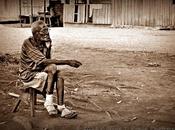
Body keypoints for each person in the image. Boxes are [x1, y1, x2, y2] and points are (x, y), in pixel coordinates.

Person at [19, 20, 82, 118]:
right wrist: (68, 62)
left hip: (40, 72)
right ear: (36, 34)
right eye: (43, 31)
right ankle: (48, 103)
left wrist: (48, 47)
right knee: (52, 67)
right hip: (28, 75)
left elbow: (47, 60)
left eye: (47, 30)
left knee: (59, 73)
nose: (47, 33)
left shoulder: (45, 41)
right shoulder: (28, 43)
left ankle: (61, 107)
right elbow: (44, 62)